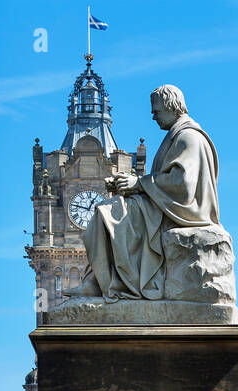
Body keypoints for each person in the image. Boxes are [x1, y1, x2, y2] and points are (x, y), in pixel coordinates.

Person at [71, 85, 222, 301]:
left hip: (183, 213)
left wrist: (139, 184)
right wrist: (129, 186)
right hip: (167, 206)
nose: (153, 118)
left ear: (171, 106)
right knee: (110, 210)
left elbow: (183, 184)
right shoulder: (175, 135)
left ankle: (104, 282)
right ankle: (99, 280)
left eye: (156, 112)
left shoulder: (188, 137)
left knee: (109, 213)